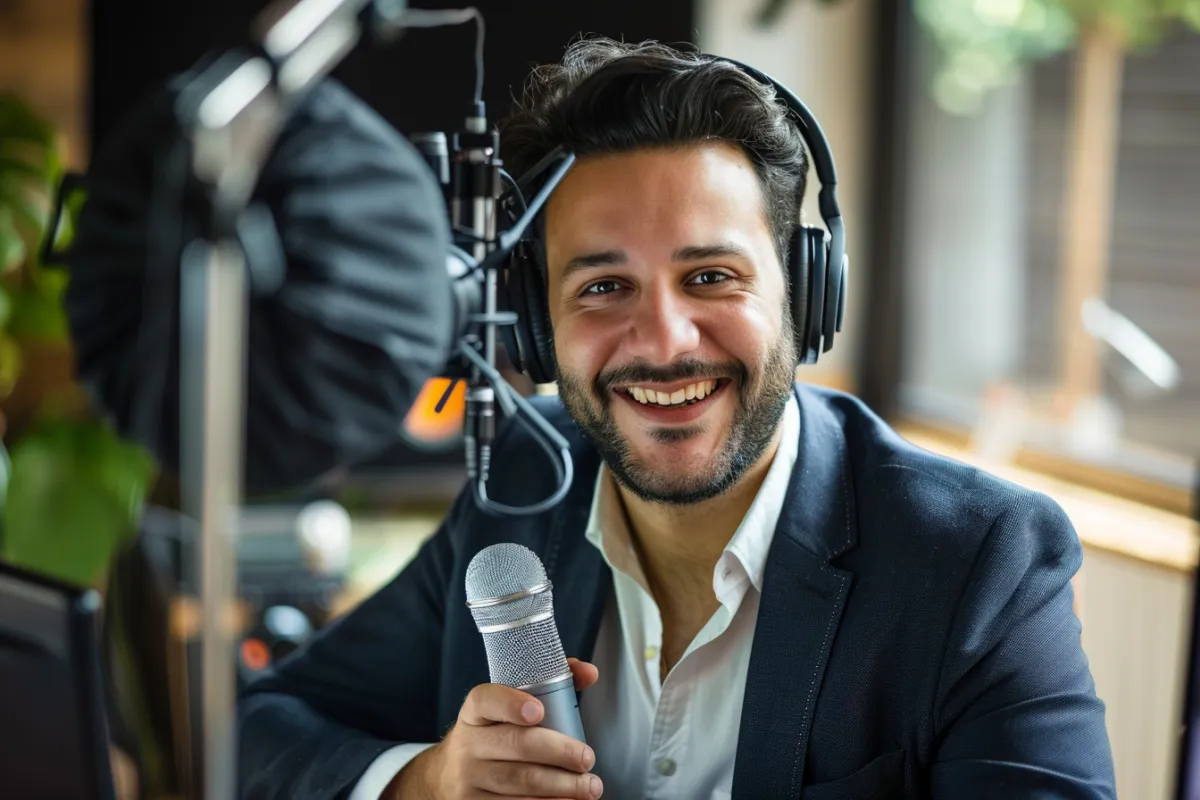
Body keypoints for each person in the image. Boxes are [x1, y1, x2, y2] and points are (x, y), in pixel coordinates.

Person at [238, 38, 1116, 800]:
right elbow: (253, 733)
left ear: (805, 297)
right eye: (603, 287)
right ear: (539, 330)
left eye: (711, 277)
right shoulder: (518, 492)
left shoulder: (979, 562)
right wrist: (424, 782)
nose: (663, 341)